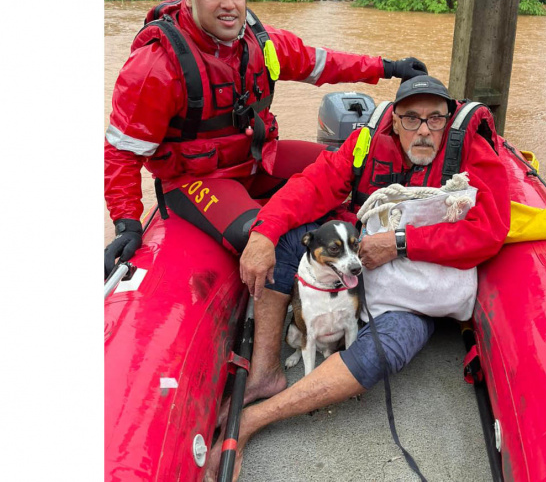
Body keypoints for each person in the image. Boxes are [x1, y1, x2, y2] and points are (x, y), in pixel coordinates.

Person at [217, 75, 511, 480]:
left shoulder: (471, 149)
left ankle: (253, 421)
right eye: (411, 119)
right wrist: (264, 231)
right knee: (286, 240)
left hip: (416, 291)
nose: (424, 130)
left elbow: (489, 230)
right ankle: (266, 370)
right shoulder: (365, 143)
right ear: (394, 122)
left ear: (449, 118)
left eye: (435, 119)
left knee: (385, 349)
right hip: (357, 261)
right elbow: (312, 186)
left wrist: (400, 243)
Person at [104, 0, 428, 277]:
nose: (229, 4)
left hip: (259, 160)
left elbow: (321, 62)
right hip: (197, 179)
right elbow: (122, 151)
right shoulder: (155, 66)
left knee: (355, 171)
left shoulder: (262, 43)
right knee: (256, 234)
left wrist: (387, 67)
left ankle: (375, 239)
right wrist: (126, 222)